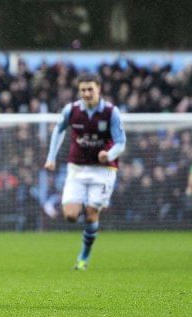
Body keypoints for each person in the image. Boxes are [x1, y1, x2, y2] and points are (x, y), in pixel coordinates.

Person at [44, 73, 126, 270]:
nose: (87, 93)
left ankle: (83, 258)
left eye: (91, 89)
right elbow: (59, 130)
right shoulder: (71, 110)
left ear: (99, 88)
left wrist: (109, 153)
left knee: (90, 213)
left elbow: (121, 142)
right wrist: (51, 157)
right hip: (77, 168)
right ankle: (89, 215)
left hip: (103, 170)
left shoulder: (110, 112)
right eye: (83, 90)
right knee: (70, 215)